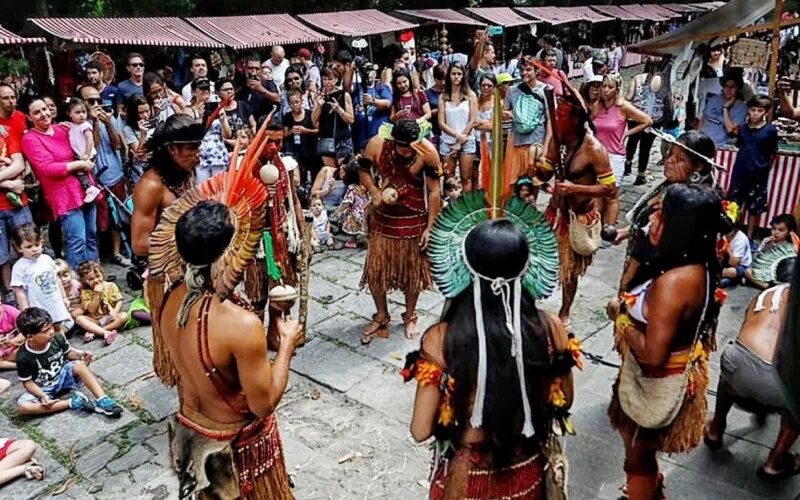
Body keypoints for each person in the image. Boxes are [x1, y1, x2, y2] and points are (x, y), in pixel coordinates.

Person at [406, 190, 575, 498]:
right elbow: (564, 401)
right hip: (528, 472)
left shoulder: (441, 339)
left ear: (464, 267)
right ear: (527, 266)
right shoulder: (551, 328)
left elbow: (420, 430)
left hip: (466, 482)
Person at [149, 195, 301, 498]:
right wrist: (286, 344)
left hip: (192, 432)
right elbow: (264, 404)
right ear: (229, 253)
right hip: (234, 448)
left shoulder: (169, 299)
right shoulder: (240, 325)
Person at [607, 184, 724, 500]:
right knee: (642, 454)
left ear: (682, 228)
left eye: (662, 214)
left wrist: (620, 317)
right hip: (665, 376)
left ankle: (643, 491)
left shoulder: (673, 284)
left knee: (637, 458)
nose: (652, 219)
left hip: (655, 384)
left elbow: (652, 356)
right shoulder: (695, 263)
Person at [705, 257, 800, 482]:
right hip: (777, 379)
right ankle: (774, 463)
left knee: (729, 375)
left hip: (738, 361)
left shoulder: (765, 295)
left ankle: (715, 429)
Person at [541, 84, 619, 328]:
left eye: (561, 115)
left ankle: (565, 311)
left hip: (578, 216)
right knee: (540, 257)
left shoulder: (594, 149)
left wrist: (575, 189)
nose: (556, 119)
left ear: (576, 119)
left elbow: (610, 189)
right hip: (555, 212)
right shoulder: (558, 136)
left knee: (570, 270)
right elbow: (545, 171)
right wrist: (537, 169)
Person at [359, 119, 441, 343]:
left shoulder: (428, 152)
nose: (406, 151)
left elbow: (434, 191)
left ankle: (410, 315)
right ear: (393, 140)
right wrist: (374, 191)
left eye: (410, 146)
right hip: (383, 217)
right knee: (376, 270)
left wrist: (430, 226)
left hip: (414, 218)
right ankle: (382, 314)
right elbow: (363, 172)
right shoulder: (377, 144)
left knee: (412, 273)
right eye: (402, 146)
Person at [616, 131, 719, 293]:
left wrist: (626, 285)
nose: (669, 161)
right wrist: (627, 231)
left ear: (698, 167)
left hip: (660, 282)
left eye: (679, 159)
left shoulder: (691, 205)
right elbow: (648, 223)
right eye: (670, 154)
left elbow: (651, 246)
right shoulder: (670, 185)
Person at [22, 99, 97, 270]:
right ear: (29, 117)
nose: (44, 114)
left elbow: (83, 139)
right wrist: (79, 165)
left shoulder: (62, 129)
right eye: (37, 112)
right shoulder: (30, 138)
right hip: (63, 195)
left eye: (46, 109)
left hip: (85, 188)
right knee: (77, 239)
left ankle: (94, 275)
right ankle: (76, 282)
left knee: (92, 235)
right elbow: (47, 168)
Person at [15, 307, 123, 417]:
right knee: (23, 407)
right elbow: (27, 382)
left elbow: (68, 353)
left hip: (63, 376)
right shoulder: (23, 356)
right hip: (43, 387)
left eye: (51, 327)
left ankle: (103, 399)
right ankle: (73, 402)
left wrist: (81, 356)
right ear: (30, 337)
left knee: (79, 365)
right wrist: (42, 396)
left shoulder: (57, 338)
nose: (51, 332)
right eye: (45, 331)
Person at [131, 114, 203, 260]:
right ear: (172, 149)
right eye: (191, 148)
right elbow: (139, 245)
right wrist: (196, 242)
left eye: (198, 147)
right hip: (167, 270)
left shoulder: (186, 170)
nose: (198, 154)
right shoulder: (150, 186)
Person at [78, 85, 129, 267]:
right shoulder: (80, 126)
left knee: (118, 218)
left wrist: (107, 122)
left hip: (115, 174)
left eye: (98, 100)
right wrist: (95, 123)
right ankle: (96, 258)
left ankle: (116, 252)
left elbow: (116, 145)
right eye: (90, 101)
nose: (96, 104)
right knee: (100, 221)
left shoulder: (109, 117)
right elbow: (95, 146)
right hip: (96, 178)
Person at [728, 94, 778, 241]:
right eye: (753, 109)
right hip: (740, 172)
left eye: (759, 110)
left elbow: (772, 153)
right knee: (734, 206)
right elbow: (740, 145)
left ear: (766, 113)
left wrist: (765, 168)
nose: (755, 113)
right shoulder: (742, 128)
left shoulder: (770, 130)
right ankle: (731, 235)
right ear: (748, 110)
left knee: (753, 208)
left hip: (758, 174)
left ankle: (749, 236)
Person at [0, 85, 34, 304]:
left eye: (13, 97)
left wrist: (14, 181)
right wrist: (7, 182)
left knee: (29, 241)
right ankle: (9, 290)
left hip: (18, 202)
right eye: (6, 98)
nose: (11, 101)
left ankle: (31, 283)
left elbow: (19, 163)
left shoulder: (8, 134)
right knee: (1, 255)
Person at [592, 74, 652, 190]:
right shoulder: (597, 105)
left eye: (610, 87)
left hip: (614, 155)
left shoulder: (623, 106)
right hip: (596, 155)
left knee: (611, 193)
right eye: (604, 86)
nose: (606, 90)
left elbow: (647, 121)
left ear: (617, 89)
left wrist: (626, 134)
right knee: (595, 194)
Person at [10, 224, 71, 329]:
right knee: (44, 329)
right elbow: (19, 292)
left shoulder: (47, 259)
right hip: (38, 306)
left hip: (54, 301)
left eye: (37, 245)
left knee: (58, 325)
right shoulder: (19, 267)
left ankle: (64, 345)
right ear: (19, 248)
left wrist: (64, 297)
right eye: (29, 247)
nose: (34, 249)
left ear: (42, 242)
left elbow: (56, 279)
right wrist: (26, 311)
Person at [504, 56, 551, 194]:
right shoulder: (512, 90)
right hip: (516, 144)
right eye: (522, 69)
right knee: (512, 186)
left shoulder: (546, 91)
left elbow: (551, 122)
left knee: (533, 186)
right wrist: (505, 114)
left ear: (537, 71)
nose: (524, 72)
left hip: (536, 145)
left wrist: (546, 147)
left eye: (529, 69)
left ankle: (531, 213)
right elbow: (504, 111)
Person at [625, 62, 669, 185]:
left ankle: (628, 163)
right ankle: (641, 174)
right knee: (646, 147)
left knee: (632, 141)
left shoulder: (637, 78)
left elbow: (629, 96)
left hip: (636, 117)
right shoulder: (664, 80)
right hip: (653, 119)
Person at [439, 63, 477, 192]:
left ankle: (465, 208)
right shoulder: (443, 97)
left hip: (467, 140)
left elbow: (472, 120)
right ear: (449, 75)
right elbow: (441, 123)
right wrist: (457, 136)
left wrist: (461, 140)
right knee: (448, 178)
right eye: (453, 73)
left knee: (466, 177)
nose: (456, 77)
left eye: (459, 74)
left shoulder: (471, 95)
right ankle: (450, 207)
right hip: (448, 141)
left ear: (463, 75)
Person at [189, 79, 232, 183]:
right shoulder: (190, 110)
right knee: (202, 190)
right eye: (202, 91)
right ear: (194, 92)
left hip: (218, 155)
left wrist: (222, 120)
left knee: (219, 190)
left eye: (207, 91)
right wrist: (200, 116)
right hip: (201, 156)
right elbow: (192, 136)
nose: (205, 94)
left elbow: (227, 135)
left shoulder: (217, 107)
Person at [74, 260, 126, 345]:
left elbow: (119, 300)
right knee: (79, 319)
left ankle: (96, 331)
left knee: (124, 316)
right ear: (84, 281)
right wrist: (96, 294)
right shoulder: (85, 292)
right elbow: (91, 310)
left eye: (98, 276)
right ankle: (104, 332)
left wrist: (115, 311)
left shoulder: (111, 285)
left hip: (110, 318)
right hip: (96, 319)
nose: (96, 280)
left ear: (102, 273)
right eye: (91, 279)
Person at [312, 68, 355, 169]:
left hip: (342, 138)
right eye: (324, 79)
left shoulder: (344, 95)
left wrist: (339, 110)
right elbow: (314, 120)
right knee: (330, 172)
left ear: (336, 79)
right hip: (326, 137)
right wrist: (319, 106)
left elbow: (351, 119)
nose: (327, 82)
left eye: (330, 79)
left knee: (346, 170)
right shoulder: (320, 96)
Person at [701, 73, 747, 149]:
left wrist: (725, 108)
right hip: (702, 141)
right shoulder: (714, 99)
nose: (729, 90)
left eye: (732, 87)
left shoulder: (742, 107)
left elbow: (731, 130)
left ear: (737, 88)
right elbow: (703, 119)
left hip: (719, 147)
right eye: (726, 86)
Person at [331, 159, 369, 249]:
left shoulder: (351, 187)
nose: (340, 172)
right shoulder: (363, 186)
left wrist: (339, 211)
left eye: (342, 170)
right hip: (364, 210)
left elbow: (348, 201)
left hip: (355, 212)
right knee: (365, 227)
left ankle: (353, 241)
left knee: (352, 223)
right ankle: (365, 241)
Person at [354, 64, 393, 151]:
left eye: (370, 70)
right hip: (361, 136)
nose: (368, 73)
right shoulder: (357, 87)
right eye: (365, 70)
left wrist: (373, 101)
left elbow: (388, 103)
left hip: (379, 135)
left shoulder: (381, 87)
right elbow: (346, 86)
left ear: (375, 72)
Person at [283, 89, 318, 180]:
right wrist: (291, 131)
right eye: (291, 103)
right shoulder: (287, 116)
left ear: (302, 101)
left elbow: (318, 130)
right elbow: (284, 134)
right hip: (296, 150)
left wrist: (305, 130)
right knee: (300, 176)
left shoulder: (310, 114)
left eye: (296, 102)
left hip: (311, 149)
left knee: (314, 174)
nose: (294, 105)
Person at [237, 54, 280, 126]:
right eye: (251, 68)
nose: (254, 72)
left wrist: (260, 89)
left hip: (265, 124)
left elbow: (278, 99)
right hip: (248, 126)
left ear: (260, 69)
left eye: (257, 69)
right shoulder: (242, 87)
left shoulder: (268, 83)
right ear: (246, 69)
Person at [122, 94, 156, 186]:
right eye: (141, 112)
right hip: (141, 172)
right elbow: (140, 154)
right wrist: (143, 134)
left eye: (147, 111)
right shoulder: (128, 129)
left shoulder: (155, 123)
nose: (145, 115)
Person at [219, 78, 255, 151]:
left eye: (231, 89)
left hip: (245, 146)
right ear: (218, 93)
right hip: (226, 148)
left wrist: (251, 138)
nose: (229, 92)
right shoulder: (217, 110)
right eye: (225, 90)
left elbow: (253, 124)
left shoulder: (243, 105)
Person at [720, 209, 753, 288]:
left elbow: (733, 263)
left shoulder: (740, 239)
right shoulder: (721, 233)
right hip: (724, 261)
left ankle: (718, 275)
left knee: (732, 272)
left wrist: (727, 246)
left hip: (740, 265)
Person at [55, 259, 82, 331]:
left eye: (65, 275)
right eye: (59, 278)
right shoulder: (55, 290)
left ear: (70, 273)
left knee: (75, 315)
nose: (63, 280)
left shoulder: (77, 286)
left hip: (79, 310)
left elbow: (85, 302)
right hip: (65, 313)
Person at [474, 73, 497, 158]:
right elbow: (469, 121)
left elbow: (492, 126)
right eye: (483, 85)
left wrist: (474, 124)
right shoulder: (475, 102)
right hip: (475, 141)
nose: (486, 88)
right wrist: (484, 122)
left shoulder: (498, 103)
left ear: (494, 87)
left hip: (491, 143)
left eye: (489, 85)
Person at [660, 93, 686, 162]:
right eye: (674, 98)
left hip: (674, 133)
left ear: (680, 101)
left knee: (671, 147)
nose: (675, 100)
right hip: (665, 131)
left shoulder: (680, 111)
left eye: (678, 98)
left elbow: (679, 120)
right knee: (663, 148)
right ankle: (663, 158)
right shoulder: (667, 110)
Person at [424, 65, 446, 146]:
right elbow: (425, 114)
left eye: (445, 79)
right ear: (435, 79)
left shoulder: (450, 93)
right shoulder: (427, 93)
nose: (443, 82)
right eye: (440, 79)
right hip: (434, 130)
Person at [0, 301, 22, 370]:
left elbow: (24, 333)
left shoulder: (11, 311)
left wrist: (11, 341)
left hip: (14, 347)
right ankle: (17, 365)